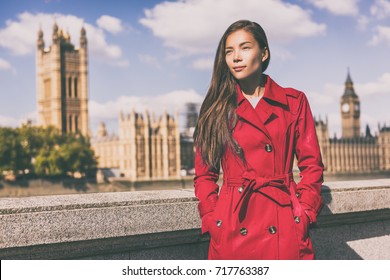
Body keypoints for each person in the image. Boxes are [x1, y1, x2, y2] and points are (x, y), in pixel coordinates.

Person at [193, 20, 324, 260]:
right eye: (229, 51)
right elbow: (204, 175)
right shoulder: (215, 108)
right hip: (233, 222)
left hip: (283, 222)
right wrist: (213, 218)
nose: (236, 57)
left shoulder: (293, 102)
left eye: (244, 47)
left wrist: (304, 213)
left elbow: (312, 165)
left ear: (264, 53)